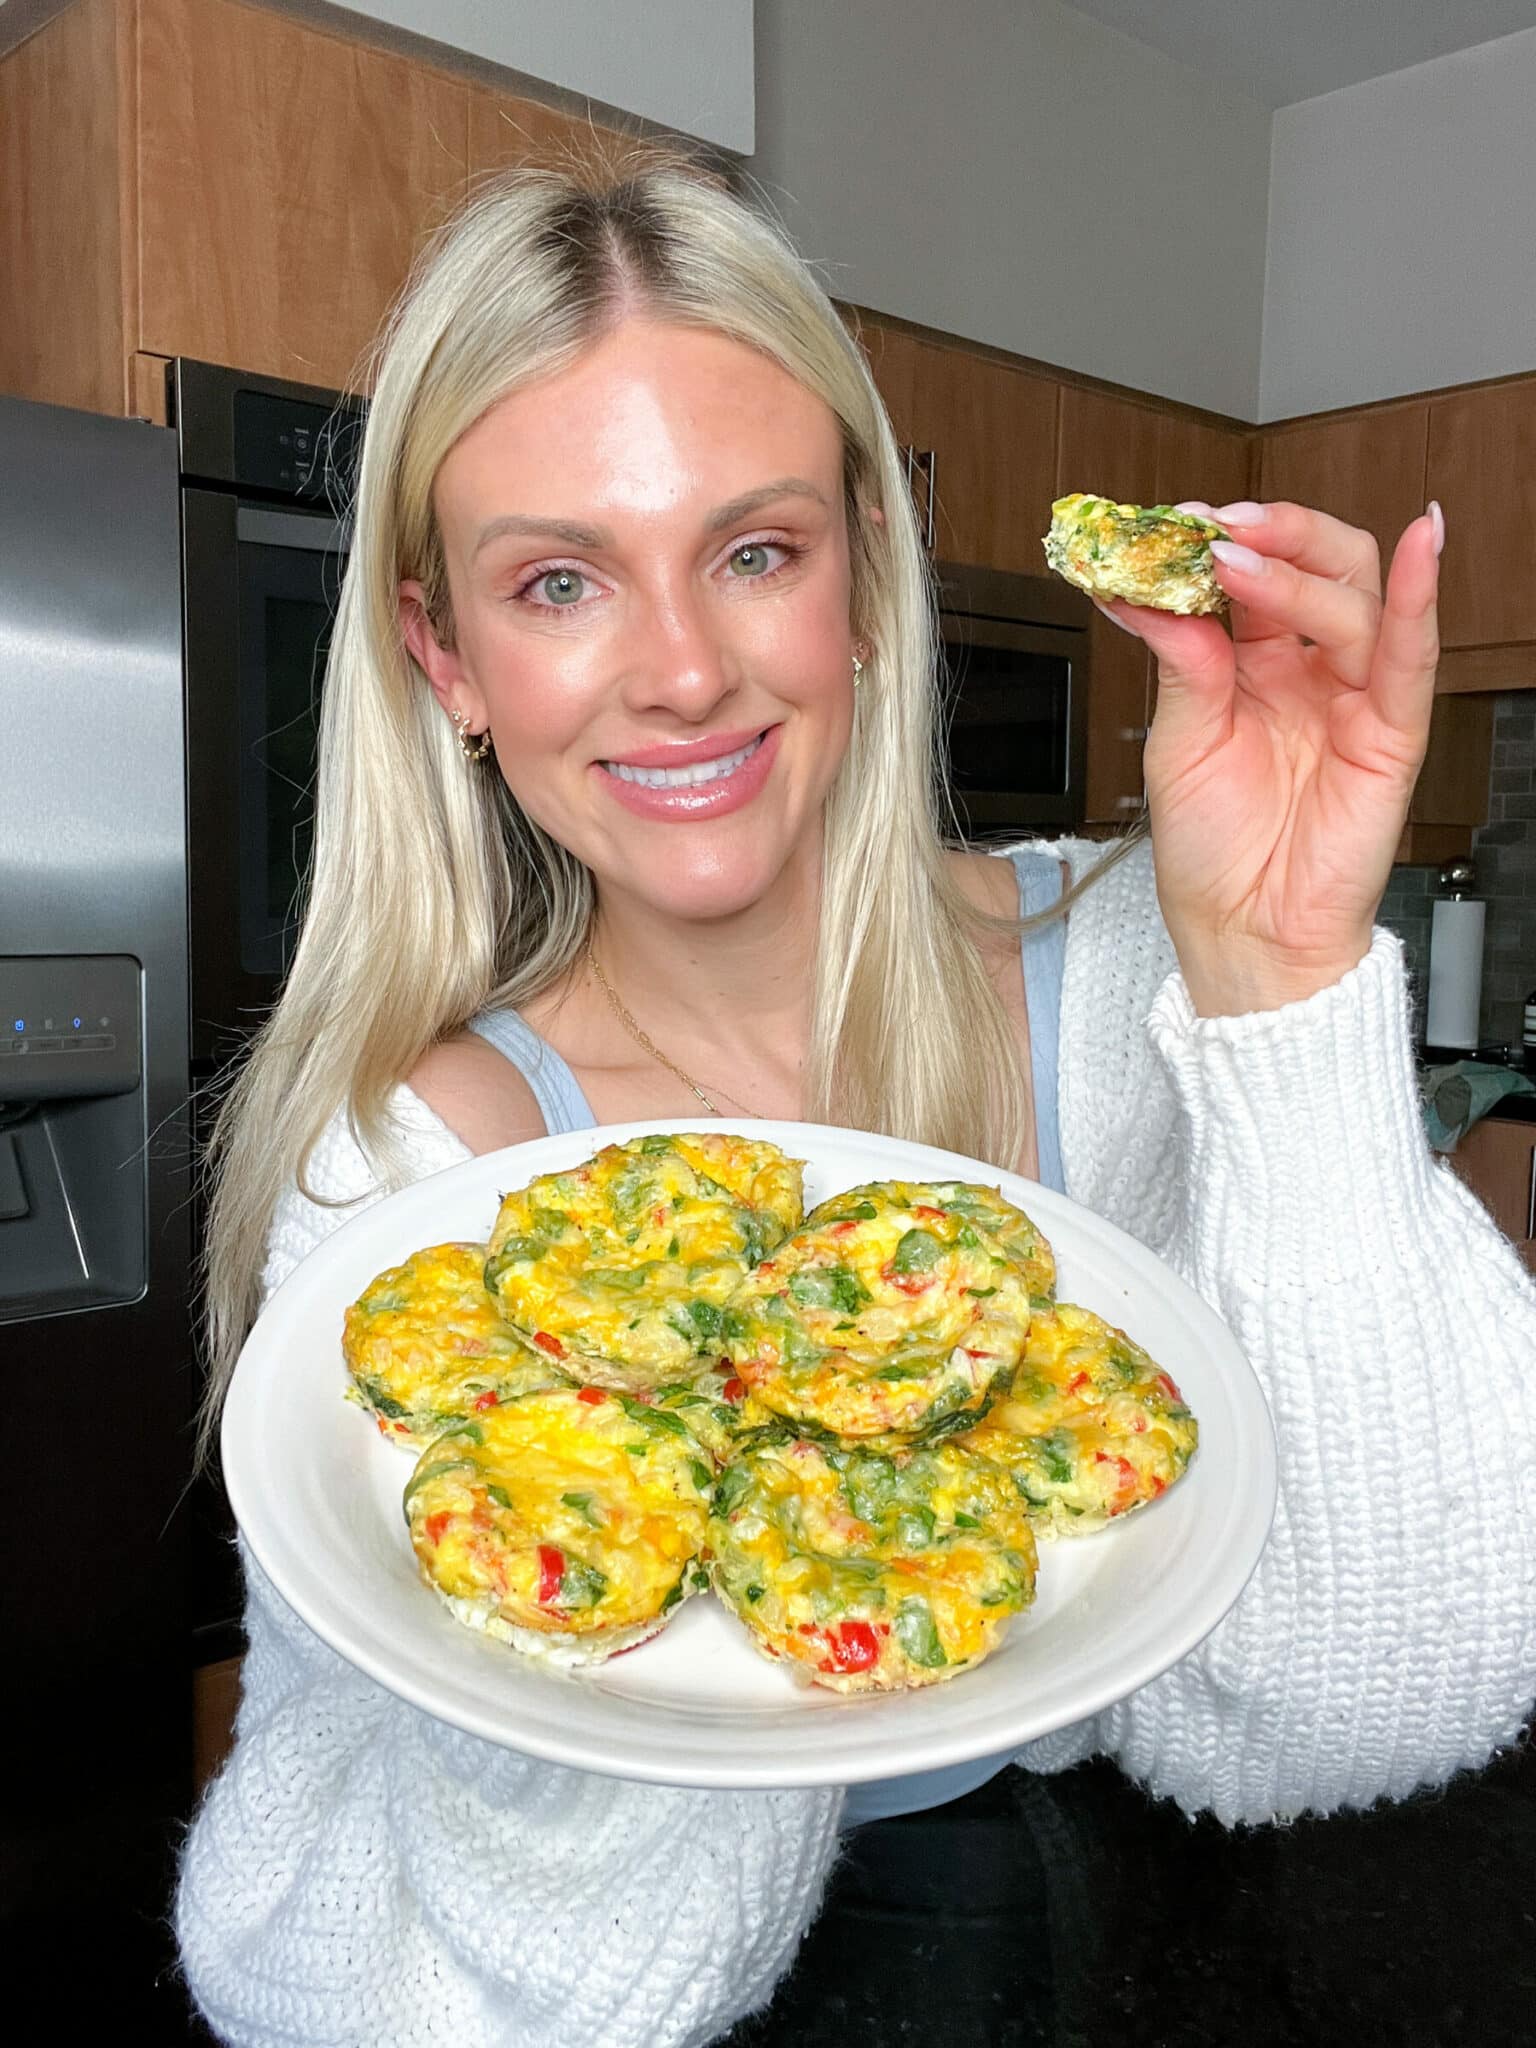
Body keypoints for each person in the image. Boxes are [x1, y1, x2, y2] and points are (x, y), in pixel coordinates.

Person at [176, 144, 1536, 2047]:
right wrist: (618, 1641)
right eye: (559, 580)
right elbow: (309, 1978)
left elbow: (1390, 1692)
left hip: (1197, 1962)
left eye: (755, 551)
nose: (678, 672)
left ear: (869, 581)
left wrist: (1286, 985)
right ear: (444, 655)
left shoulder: (1146, 967)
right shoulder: (420, 1180)